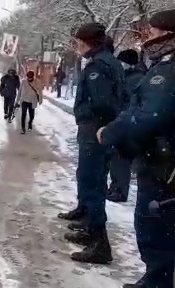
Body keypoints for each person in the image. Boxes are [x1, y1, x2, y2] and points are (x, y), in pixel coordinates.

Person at [97, 9, 175, 288]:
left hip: (161, 166)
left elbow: (148, 116)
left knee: (154, 229)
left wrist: (113, 133)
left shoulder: (167, 71)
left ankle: (157, 282)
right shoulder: (161, 66)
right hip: (161, 162)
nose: (148, 40)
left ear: (168, 35)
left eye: (152, 34)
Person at [58, 22, 125, 265]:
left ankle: (99, 243)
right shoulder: (108, 61)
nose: (76, 47)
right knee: (91, 179)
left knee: (92, 183)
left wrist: (89, 118)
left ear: (87, 42)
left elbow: (103, 102)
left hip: (95, 131)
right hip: (98, 131)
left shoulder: (99, 65)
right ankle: (91, 231)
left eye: (78, 42)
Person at [105, 49, 145, 203]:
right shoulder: (128, 77)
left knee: (121, 159)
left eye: (122, 62)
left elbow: (131, 103)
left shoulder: (135, 79)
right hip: (122, 120)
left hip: (128, 124)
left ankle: (120, 191)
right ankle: (115, 187)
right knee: (116, 158)